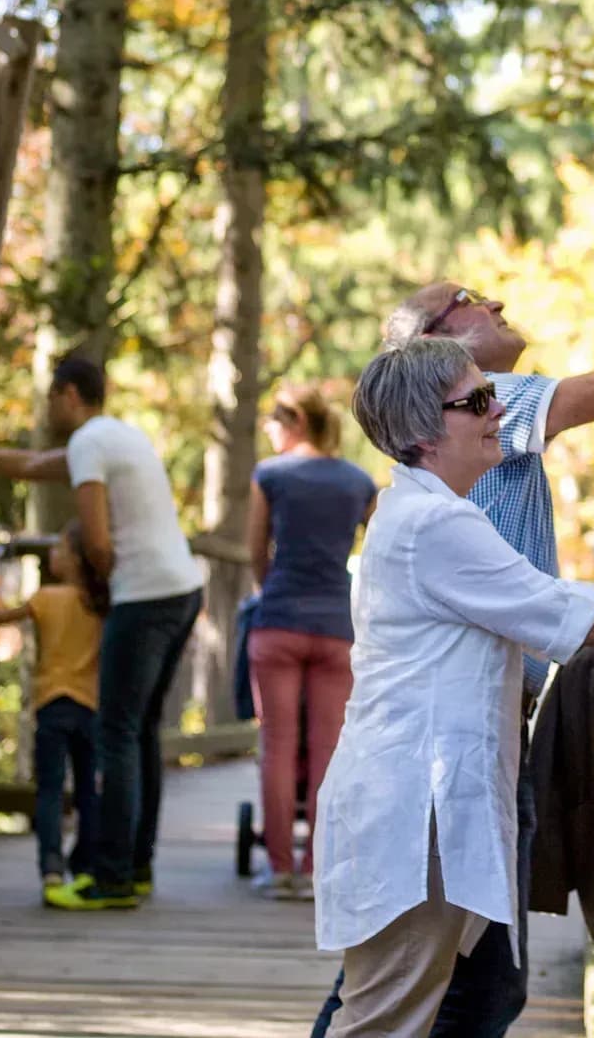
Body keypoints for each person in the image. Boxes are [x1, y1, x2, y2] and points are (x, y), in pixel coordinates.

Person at [308, 215, 594, 1038]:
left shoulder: (430, 504)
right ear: (429, 399)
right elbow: (560, 609)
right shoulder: (437, 514)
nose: (495, 408)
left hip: (451, 775)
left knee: (428, 996)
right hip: (424, 791)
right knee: (397, 1009)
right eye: (477, 398)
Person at [0, 351, 205, 910]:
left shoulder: (88, 444)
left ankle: (110, 878)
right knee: (143, 731)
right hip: (181, 588)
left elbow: (97, 541)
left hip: (145, 595)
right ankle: (138, 866)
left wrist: (98, 592)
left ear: (69, 395)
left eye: (51, 397)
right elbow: (31, 466)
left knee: (117, 733)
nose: (48, 407)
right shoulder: (118, 436)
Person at [247, 382, 377, 900]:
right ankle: (318, 867)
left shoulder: (270, 475)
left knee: (277, 745)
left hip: (278, 620)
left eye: (273, 419)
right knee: (326, 748)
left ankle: (280, 870)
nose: (268, 428)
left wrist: (269, 590)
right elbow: (383, 545)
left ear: (295, 420)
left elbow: (255, 549)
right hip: (335, 629)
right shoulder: (358, 482)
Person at [0, 520, 109, 902]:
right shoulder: (102, 603)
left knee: (51, 790)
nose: (52, 554)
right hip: (91, 706)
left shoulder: (45, 599)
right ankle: (86, 866)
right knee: (89, 790)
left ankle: (51, 869)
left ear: (73, 560)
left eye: (59, 549)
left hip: (52, 705)